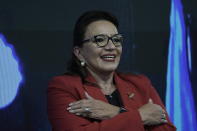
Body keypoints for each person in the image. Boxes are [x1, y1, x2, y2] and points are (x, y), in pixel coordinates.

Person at [47, 10, 176, 131]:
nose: (111, 47)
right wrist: (141, 117)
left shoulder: (140, 83)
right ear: (79, 52)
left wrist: (114, 112)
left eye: (116, 40)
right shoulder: (64, 86)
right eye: (100, 40)